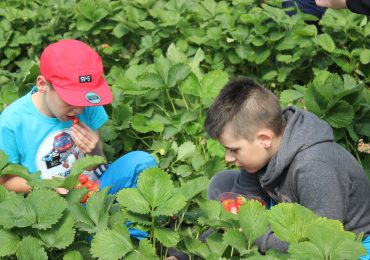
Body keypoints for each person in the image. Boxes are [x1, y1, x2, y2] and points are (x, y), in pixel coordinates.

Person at [204, 79, 370, 256]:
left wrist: (259, 237)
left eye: (233, 149)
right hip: (293, 211)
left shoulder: (314, 166)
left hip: (347, 241)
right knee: (222, 184)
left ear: (264, 139)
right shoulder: (261, 153)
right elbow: (238, 210)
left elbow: (321, 241)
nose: (227, 158)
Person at [0, 39, 156, 197]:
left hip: (90, 188)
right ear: (42, 85)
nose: (79, 109)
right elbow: (6, 181)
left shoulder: (87, 104)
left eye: (85, 99)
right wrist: (47, 185)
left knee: (142, 161)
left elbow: (95, 166)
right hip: (49, 202)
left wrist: (95, 150)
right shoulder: (12, 122)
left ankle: (127, 219)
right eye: (70, 100)